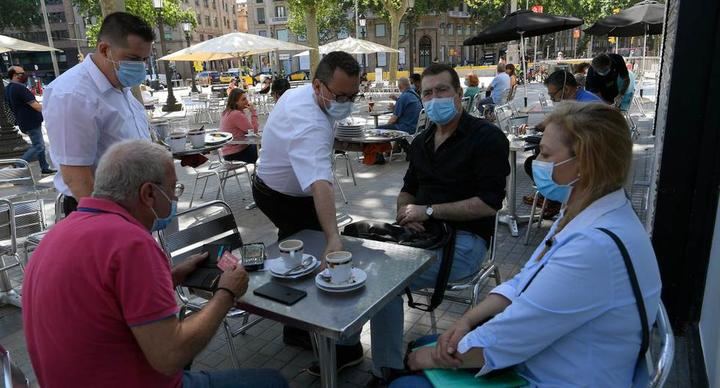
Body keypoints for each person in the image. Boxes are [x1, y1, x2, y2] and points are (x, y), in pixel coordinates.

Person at [392, 102, 662, 387]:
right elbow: (527, 280)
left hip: (556, 376)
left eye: (545, 154)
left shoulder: (594, 246)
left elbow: (509, 338)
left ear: (584, 162)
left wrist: (432, 358)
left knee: (407, 379)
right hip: (549, 357)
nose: (537, 163)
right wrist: (466, 320)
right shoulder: (586, 212)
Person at [23, 140, 288, 388]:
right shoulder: (131, 243)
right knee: (273, 381)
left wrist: (172, 276)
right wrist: (226, 293)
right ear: (148, 193)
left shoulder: (59, 233)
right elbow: (170, 356)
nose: (174, 199)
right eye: (174, 189)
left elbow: (106, 301)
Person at [368, 63, 510, 384]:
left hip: (466, 244)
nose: (435, 98)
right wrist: (406, 213)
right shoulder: (421, 142)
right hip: (420, 236)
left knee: (383, 285)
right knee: (364, 261)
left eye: (442, 90)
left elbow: (489, 203)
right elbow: (407, 191)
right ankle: (347, 348)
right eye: (427, 93)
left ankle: (386, 372)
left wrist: (429, 211)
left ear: (459, 94)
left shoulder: (487, 138)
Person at [251, 51, 364, 366]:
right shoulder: (309, 120)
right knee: (311, 256)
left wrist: (356, 144)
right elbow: (319, 183)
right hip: (279, 195)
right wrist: (333, 237)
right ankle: (314, 332)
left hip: (277, 187)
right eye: (341, 95)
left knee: (299, 254)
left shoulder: (307, 95)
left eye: (354, 95)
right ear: (318, 86)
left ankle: (297, 327)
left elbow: (325, 142)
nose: (347, 102)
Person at [44, 12, 154, 215]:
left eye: (145, 59)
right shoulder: (72, 94)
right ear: (105, 49)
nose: (140, 67)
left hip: (133, 205)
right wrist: (110, 224)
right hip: (101, 212)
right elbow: (76, 177)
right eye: (133, 58)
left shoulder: (119, 85)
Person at [521, 70, 603, 219]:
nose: (552, 99)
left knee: (530, 164)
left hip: (591, 165)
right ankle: (553, 202)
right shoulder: (580, 100)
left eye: (553, 95)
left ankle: (553, 202)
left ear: (565, 89)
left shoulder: (586, 107)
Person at [4, 66, 55, 174]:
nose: (24, 74)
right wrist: (52, 109)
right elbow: (36, 106)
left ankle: (44, 167)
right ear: (14, 75)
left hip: (23, 121)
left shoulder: (9, 88)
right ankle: (18, 164)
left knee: (39, 145)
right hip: (31, 121)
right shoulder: (19, 88)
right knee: (38, 146)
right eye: (22, 73)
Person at [219, 88, 259, 164]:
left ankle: (259, 174)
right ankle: (261, 174)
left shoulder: (227, 112)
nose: (247, 101)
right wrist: (253, 112)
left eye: (246, 98)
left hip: (228, 152)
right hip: (236, 153)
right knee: (268, 150)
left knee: (264, 148)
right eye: (243, 99)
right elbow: (254, 132)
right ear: (235, 102)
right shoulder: (236, 114)